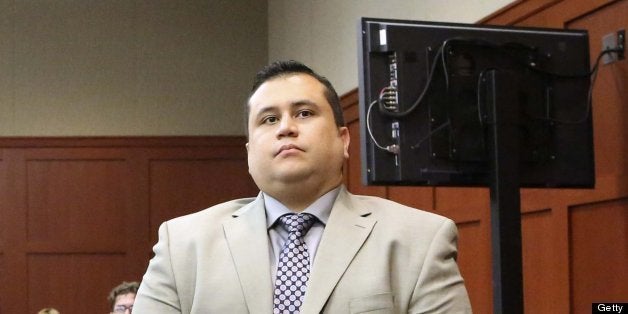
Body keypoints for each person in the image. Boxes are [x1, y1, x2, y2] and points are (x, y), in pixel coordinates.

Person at [133, 60, 472, 313]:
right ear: (250, 153)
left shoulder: (420, 239)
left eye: (305, 113)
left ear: (343, 140)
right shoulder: (182, 244)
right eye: (269, 119)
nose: (286, 128)